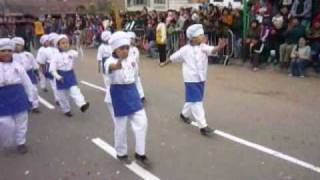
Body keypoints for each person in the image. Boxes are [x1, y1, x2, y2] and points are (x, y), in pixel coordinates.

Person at [164, 24, 226, 137]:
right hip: (190, 79)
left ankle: (183, 114)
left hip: (201, 78)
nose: (203, 37)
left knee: (193, 99)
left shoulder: (203, 47)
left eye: (203, 34)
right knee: (197, 102)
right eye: (200, 35)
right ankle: (203, 126)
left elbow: (212, 50)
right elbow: (173, 57)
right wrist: (164, 63)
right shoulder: (185, 50)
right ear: (192, 38)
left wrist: (219, 47)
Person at [104, 31, 151, 168]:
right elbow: (108, 68)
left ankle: (140, 153)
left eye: (127, 48)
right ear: (115, 49)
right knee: (121, 126)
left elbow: (136, 78)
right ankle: (121, 152)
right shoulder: (110, 61)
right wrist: (116, 66)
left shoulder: (132, 59)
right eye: (121, 48)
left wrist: (139, 94)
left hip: (132, 93)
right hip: (117, 95)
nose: (125, 51)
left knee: (142, 122)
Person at [0, 38, 35, 154]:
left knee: (22, 121)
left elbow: (27, 83)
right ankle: (7, 141)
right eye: (3, 50)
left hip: (18, 96)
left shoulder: (18, 66)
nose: (6, 53)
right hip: (2, 98)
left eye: (9, 50)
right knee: (5, 122)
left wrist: (31, 99)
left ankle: (21, 142)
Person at [49, 34, 90, 117]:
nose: (65, 44)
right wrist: (58, 77)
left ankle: (82, 105)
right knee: (63, 96)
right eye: (63, 43)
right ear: (58, 45)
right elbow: (52, 70)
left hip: (70, 75)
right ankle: (66, 109)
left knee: (75, 91)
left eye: (67, 42)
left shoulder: (71, 53)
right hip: (61, 76)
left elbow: (80, 56)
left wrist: (79, 48)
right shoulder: (55, 56)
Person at [12, 37, 40, 113]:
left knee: (34, 90)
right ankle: (24, 105)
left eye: (19, 45)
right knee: (22, 91)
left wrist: (37, 74)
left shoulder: (28, 54)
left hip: (29, 74)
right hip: (18, 76)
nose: (17, 46)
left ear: (22, 45)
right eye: (15, 45)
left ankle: (35, 105)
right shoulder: (11, 56)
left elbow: (34, 64)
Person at [127, 31, 146, 102]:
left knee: (132, 81)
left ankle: (135, 96)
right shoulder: (135, 49)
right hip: (135, 67)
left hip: (131, 67)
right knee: (137, 81)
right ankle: (141, 95)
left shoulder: (130, 49)